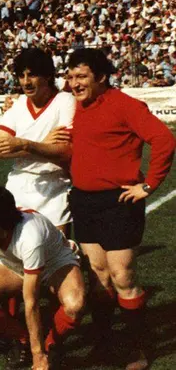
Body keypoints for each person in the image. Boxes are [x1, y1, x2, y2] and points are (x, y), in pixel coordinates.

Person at [66, 49, 175, 370]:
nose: (74, 83)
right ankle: (102, 346)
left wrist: (148, 185)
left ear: (101, 77)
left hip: (119, 201)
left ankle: (137, 348)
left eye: (81, 76)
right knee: (98, 276)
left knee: (123, 275)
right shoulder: (74, 106)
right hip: (83, 200)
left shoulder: (126, 105)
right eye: (70, 77)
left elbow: (164, 139)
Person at [0, 185, 85, 370]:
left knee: (74, 305)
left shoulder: (29, 237)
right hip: (14, 265)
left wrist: (39, 355)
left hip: (56, 263)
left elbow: (31, 302)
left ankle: (50, 345)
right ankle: (21, 338)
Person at [0, 48, 75, 235]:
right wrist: (41, 144)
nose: (26, 82)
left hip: (54, 183)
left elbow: (65, 150)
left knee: (58, 255)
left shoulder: (65, 101)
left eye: (32, 75)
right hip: (18, 182)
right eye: (21, 76)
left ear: (47, 76)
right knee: (16, 252)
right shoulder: (17, 104)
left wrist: (23, 144)